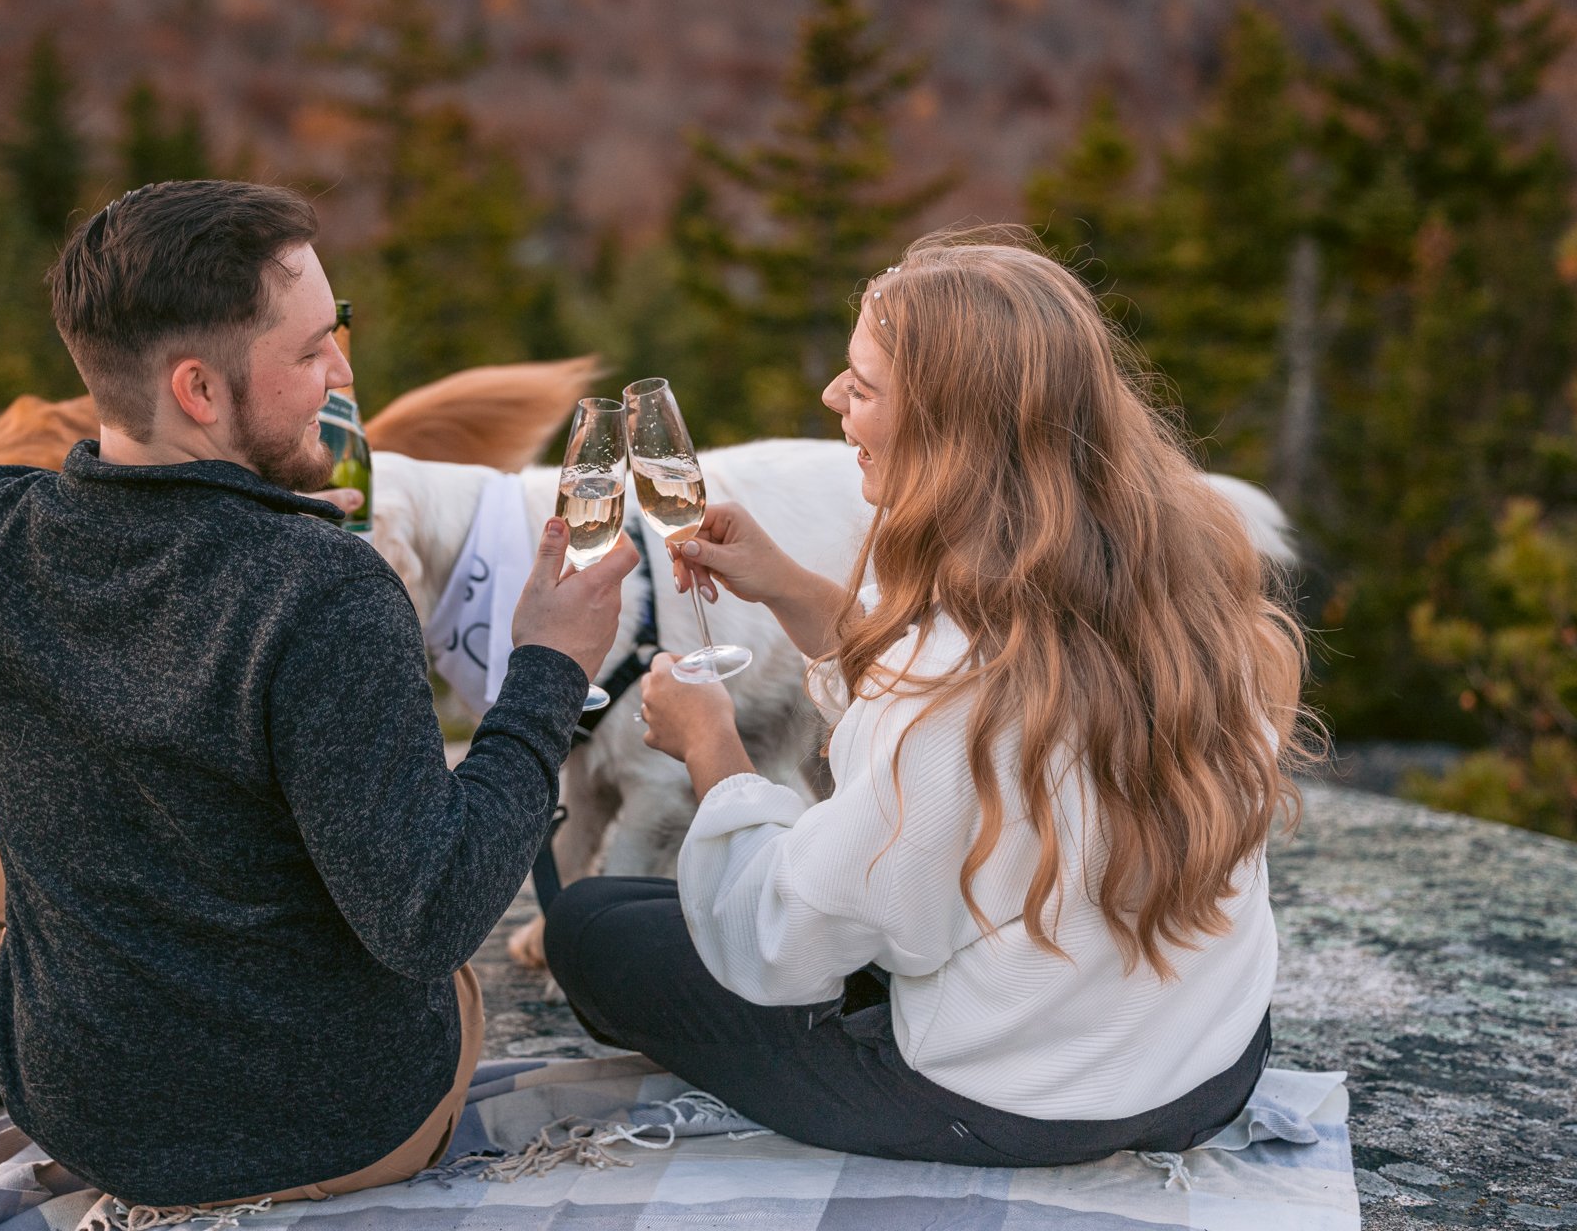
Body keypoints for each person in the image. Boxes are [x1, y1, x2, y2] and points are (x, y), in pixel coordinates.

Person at [0, 180, 637, 1208]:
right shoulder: (327, 592)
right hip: (334, 1130)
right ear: (199, 392)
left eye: (334, 331)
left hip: (85, 1112)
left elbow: (160, 578)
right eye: (309, 353)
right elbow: (428, 918)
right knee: (461, 973)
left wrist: (259, 509)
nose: (344, 372)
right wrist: (547, 670)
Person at [545, 227, 1312, 1166]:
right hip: (1208, 1060)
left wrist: (715, 754)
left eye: (861, 387)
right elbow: (952, 713)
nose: (831, 397)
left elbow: (788, 939)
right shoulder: (1172, 575)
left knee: (592, 930)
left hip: (1015, 1100)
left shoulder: (956, 679)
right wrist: (786, 583)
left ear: (950, 436)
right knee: (649, 905)